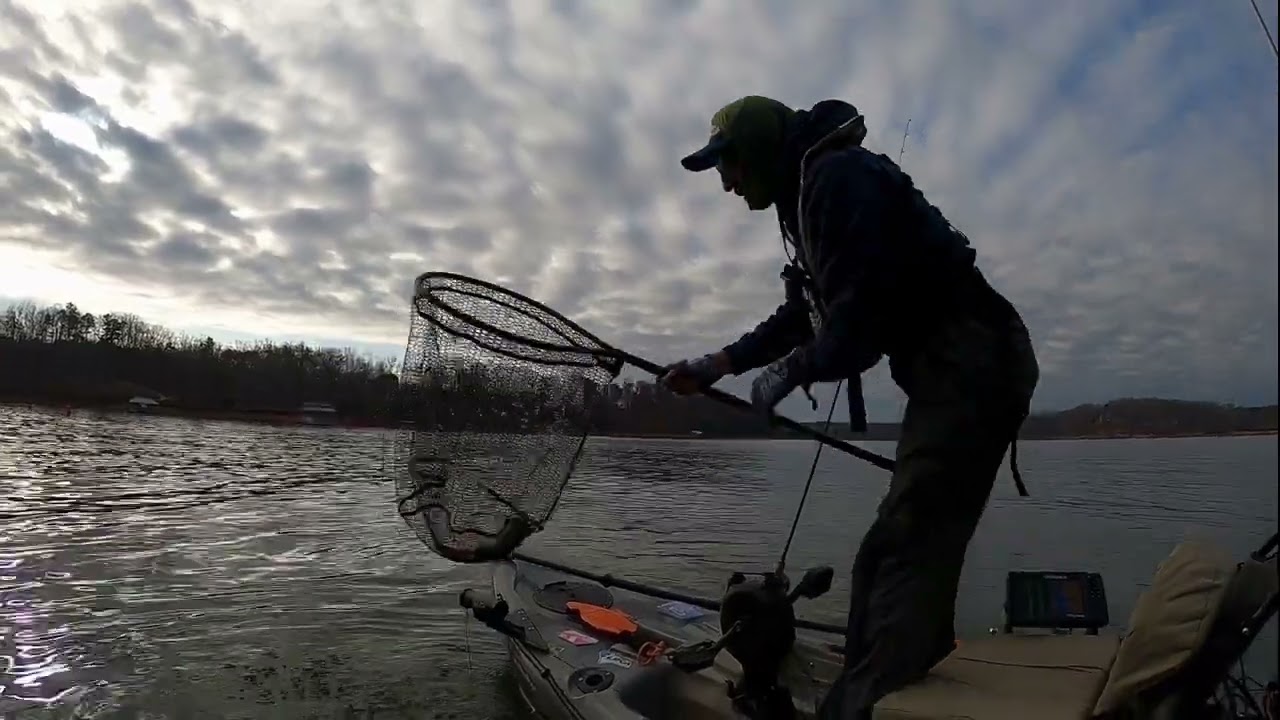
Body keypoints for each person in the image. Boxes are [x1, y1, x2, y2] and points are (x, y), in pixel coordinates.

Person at [661, 95, 1040, 718]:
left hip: (976, 365)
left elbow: (856, 329)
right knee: (900, 548)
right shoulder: (807, 196)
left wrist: (791, 371)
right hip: (957, 374)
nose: (726, 183)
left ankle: (868, 702)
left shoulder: (837, 179)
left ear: (757, 152)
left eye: (728, 165)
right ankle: (900, 680)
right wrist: (719, 364)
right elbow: (803, 316)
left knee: (898, 551)